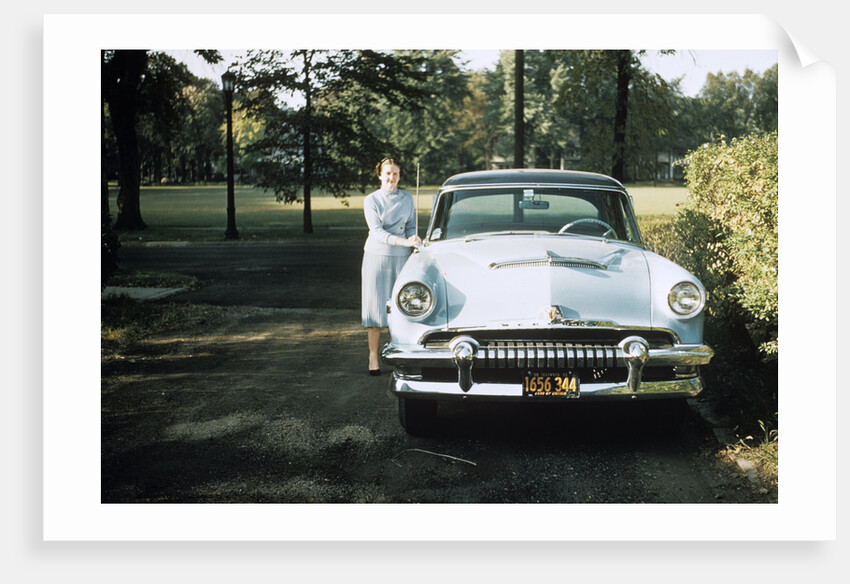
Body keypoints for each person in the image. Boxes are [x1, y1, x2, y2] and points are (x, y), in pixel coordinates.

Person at [361, 158, 421, 375]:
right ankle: (373, 356)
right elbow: (376, 232)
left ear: (400, 176)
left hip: (402, 258)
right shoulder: (371, 200)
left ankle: (399, 354)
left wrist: (414, 237)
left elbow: (411, 226)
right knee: (375, 309)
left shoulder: (407, 198)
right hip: (377, 257)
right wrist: (403, 241)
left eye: (395, 174)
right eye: (387, 173)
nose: (391, 178)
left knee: (401, 307)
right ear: (379, 175)